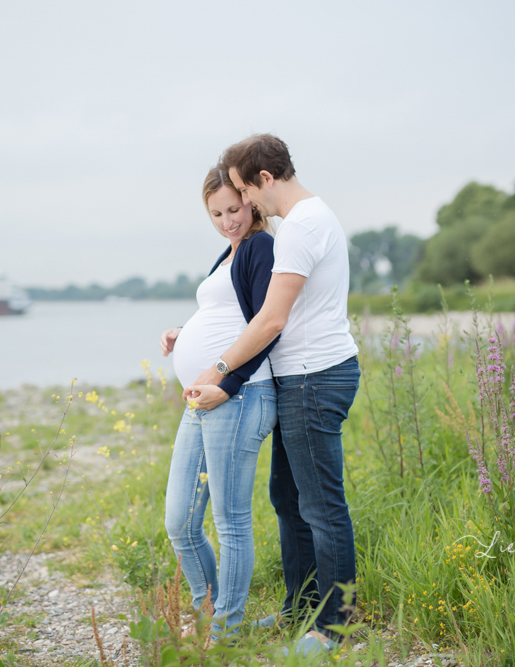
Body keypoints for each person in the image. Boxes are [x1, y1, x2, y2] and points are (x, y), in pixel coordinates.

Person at [185, 134, 360, 656]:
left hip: (313, 375)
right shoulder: (303, 221)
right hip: (300, 377)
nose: (247, 206)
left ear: (264, 179)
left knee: (322, 506)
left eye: (244, 191)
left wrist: (220, 370)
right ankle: (299, 608)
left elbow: (271, 319)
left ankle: (334, 626)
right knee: (287, 500)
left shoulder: (303, 225)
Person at [161, 166, 279, 636]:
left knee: (230, 522)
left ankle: (225, 632)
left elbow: (267, 325)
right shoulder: (229, 252)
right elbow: (227, 315)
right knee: (180, 523)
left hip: (240, 396)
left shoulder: (260, 246)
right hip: (203, 400)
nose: (228, 220)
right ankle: (209, 616)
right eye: (217, 213)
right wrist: (185, 333)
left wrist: (226, 384)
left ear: (251, 201)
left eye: (235, 209)